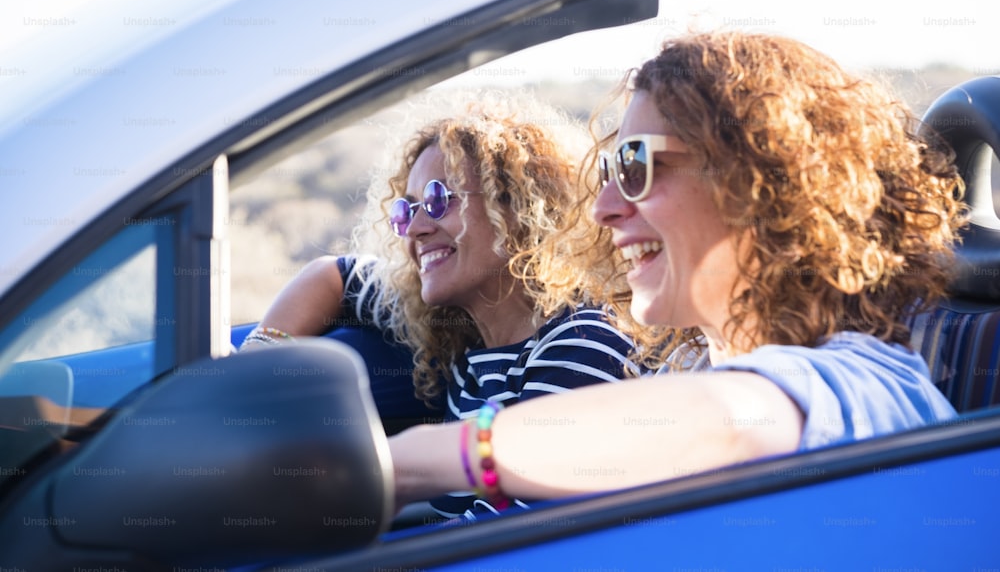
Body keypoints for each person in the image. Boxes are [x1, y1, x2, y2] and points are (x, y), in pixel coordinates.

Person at [388, 30, 967, 511]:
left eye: (638, 165)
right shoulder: (682, 369)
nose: (604, 207)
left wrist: (414, 462)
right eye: (611, 169)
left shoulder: (869, 385)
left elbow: (730, 422)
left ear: (761, 183)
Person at [240, 92, 638, 516]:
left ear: (517, 206)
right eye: (404, 211)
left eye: (437, 199)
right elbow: (332, 274)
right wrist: (254, 362)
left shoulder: (582, 345)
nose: (414, 229)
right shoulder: (458, 327)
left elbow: (505, 541)